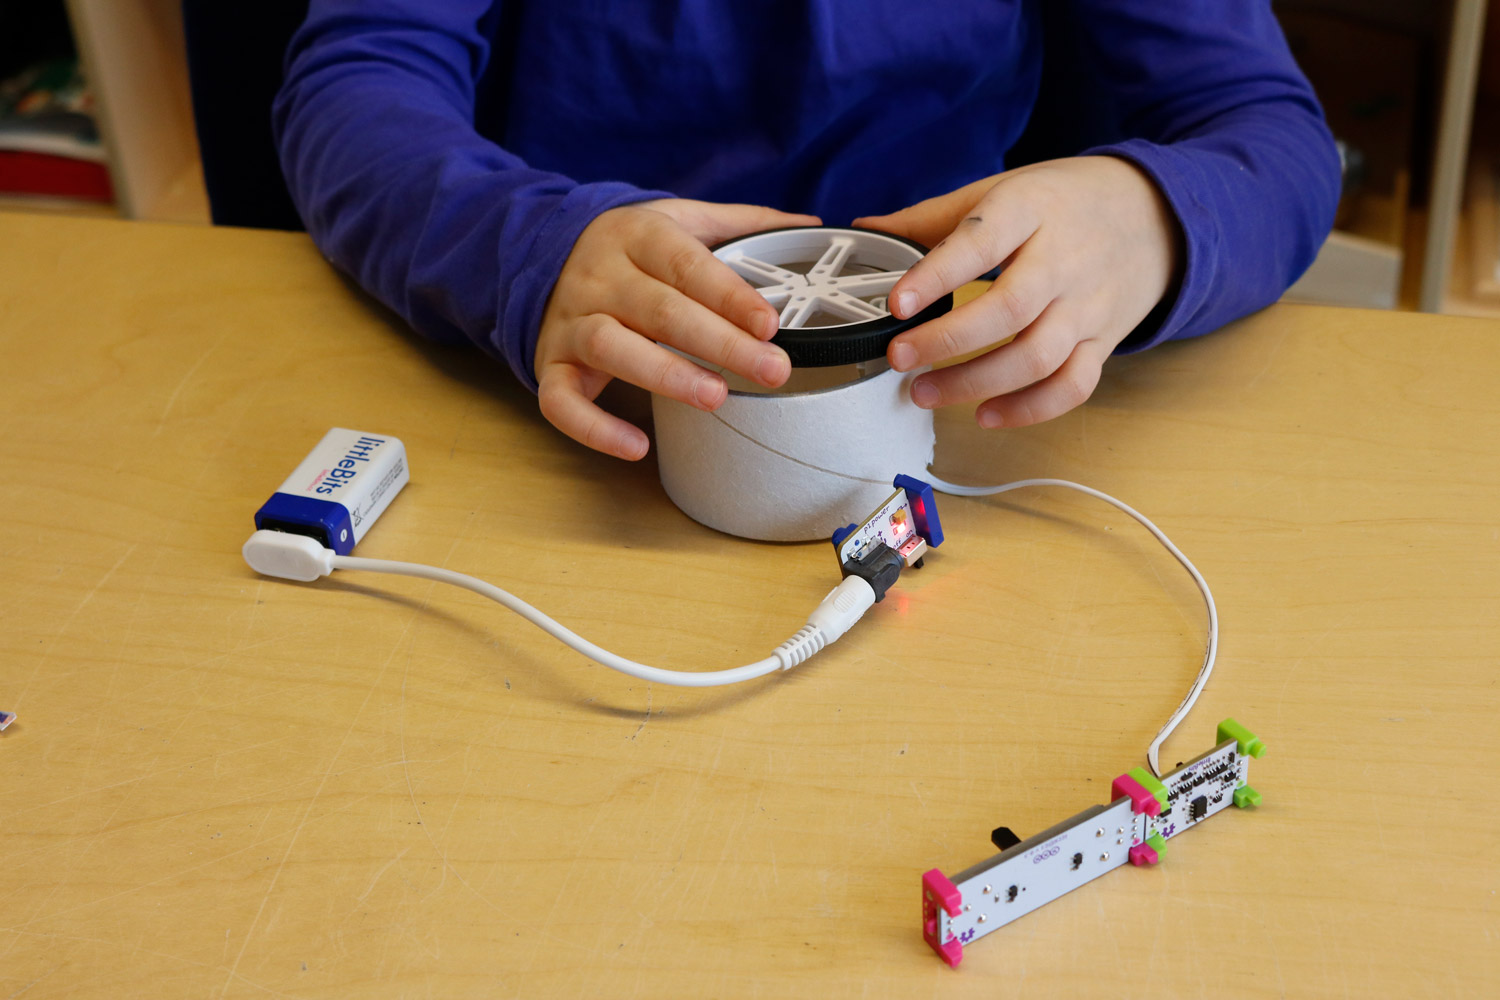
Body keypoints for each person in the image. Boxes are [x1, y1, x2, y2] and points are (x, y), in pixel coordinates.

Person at [273, 2, 1340, 461]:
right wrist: (530, 249)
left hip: (957, 414)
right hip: (580, 414)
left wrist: (1149, 217)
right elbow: (355, 86)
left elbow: (1275, 138)